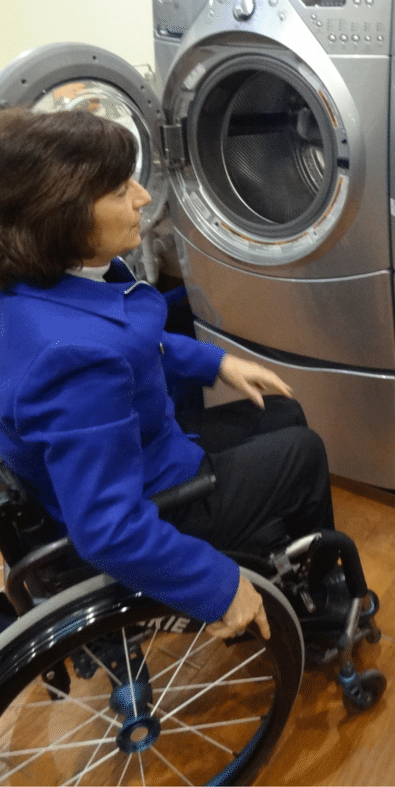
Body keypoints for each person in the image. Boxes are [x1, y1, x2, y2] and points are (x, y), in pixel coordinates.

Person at [0, 107, 338, 641]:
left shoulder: (45, 285)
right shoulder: (70, 363)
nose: (141, 196)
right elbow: (108, 530)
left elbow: (132, 340)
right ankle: (319, 613)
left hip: (138, 449)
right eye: (118, 190)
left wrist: (216, 362)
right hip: (150, 495)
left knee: (281, 412)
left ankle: (276, 554)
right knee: (304, 452)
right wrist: (217, 585)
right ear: (58, 217)